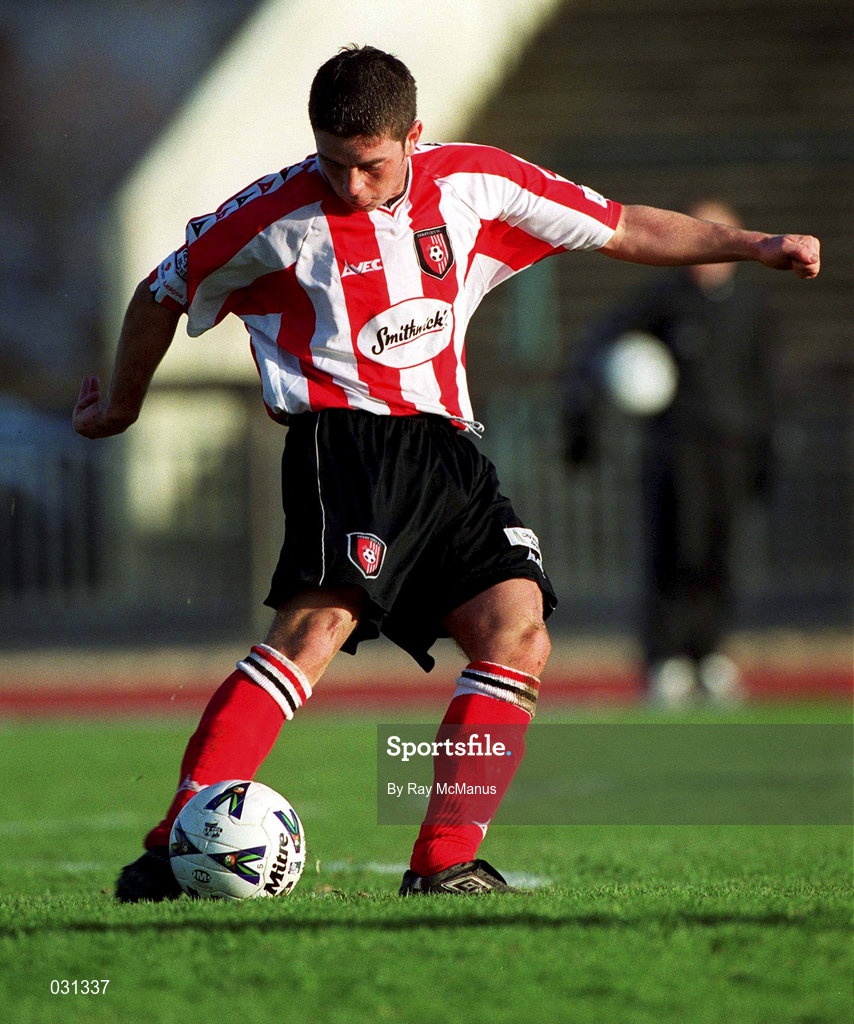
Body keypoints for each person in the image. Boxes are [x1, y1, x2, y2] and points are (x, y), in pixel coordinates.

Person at [73, 46, 820, 899]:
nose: (350, 185)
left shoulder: (475, 181)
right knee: (315, 631)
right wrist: (122, 406)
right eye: (333, 163)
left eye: (370, 165)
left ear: (414, 137)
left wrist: (754, 246)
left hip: (448, 448)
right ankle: (174, 844)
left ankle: (443, 863)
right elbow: (160, 291)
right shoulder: (273, 216)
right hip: (345, 440)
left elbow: (623, 225)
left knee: (518, 629)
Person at [563, 200, 779, 704]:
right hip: (675, 450)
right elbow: (601, 343)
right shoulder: (662, 300)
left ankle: (711, 653)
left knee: (720, 553)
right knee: (673, 548)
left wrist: (765, 452)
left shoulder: (752, 308)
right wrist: (582, 420)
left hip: (732, 450)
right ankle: (666, 658)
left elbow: (767, 386)